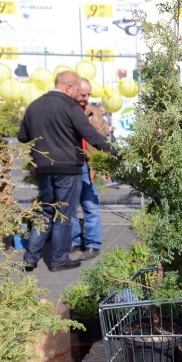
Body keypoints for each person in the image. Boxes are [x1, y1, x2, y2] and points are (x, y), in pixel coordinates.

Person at [17, 70, 116, 272]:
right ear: (68, 87)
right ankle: (58, 259)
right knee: (63, 213)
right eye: (76, 90)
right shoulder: (69, 106)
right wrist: (114, 151)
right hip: (68, 169)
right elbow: (89, 134)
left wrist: (41, 149)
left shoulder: (34, 106)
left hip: (44, 168)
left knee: (45, 212)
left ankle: (30, 257)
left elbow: (22, 136)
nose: (77, 95)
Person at [69, 78, 108, 261]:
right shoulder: (65, 110)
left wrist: (105, 165)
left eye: (88, 94)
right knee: (69, 206)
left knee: (90, 204)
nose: (86, 98)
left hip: (86, 164)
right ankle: (75, 241)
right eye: (83, 94)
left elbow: (101, 138)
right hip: (69, 165)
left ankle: (94, 244)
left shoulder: (93, 113)